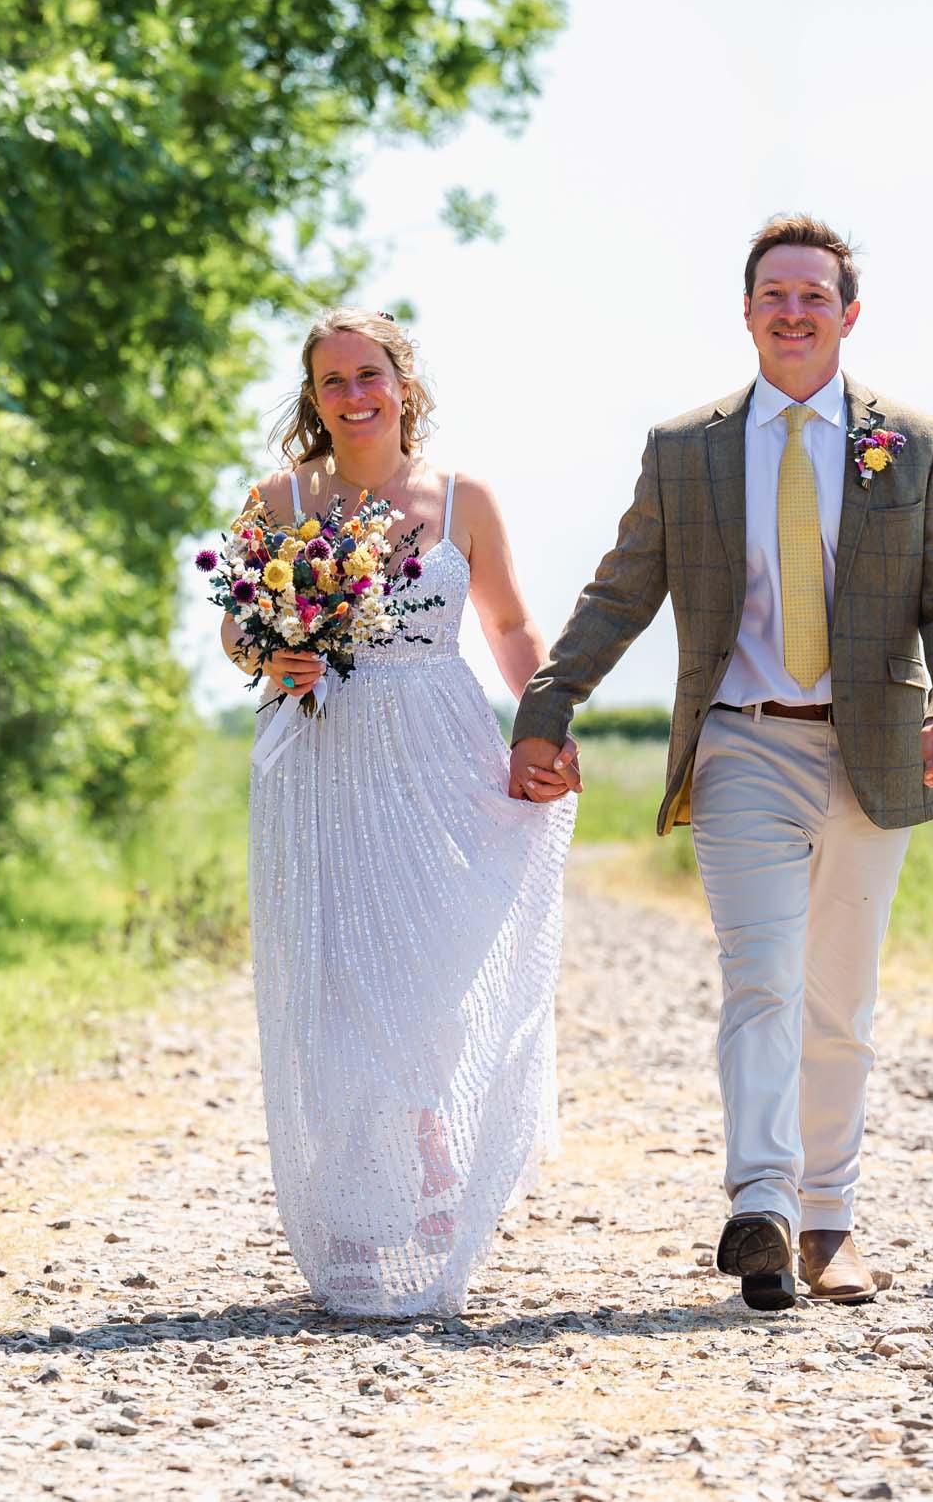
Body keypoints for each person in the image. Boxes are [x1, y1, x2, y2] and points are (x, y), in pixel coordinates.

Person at [510, 215, 933, 1310]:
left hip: (873, 750)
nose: (792, 311)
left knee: (840, 1002)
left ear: (848, 314)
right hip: (739, 743)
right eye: (773, 293)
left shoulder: (908, 441)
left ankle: (831, 1223)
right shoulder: (687, 449)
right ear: (745, 311)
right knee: (761, 982)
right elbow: (623, 589)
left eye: (813, 295)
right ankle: (761, 1210)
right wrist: (549, 700)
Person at [224, 307, 580, 1317]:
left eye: (369, 373)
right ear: (314, 398)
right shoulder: (279, 499)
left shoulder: (464, 498)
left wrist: (545, 722)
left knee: (433, 956)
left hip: (440, 747)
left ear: (402, 383)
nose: (354, 394)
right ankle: (349, 1201)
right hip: (321, 751)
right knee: (335, 976)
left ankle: (429, 1136)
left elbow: (508, 623)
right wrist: (272, 653)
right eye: (332, 380)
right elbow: (234, 633)